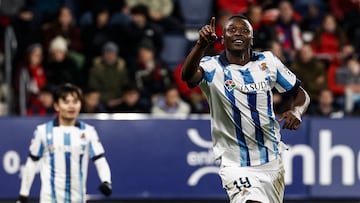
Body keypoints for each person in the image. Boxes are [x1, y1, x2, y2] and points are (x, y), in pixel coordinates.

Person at [181, 15, 310, 203]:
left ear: (252, 38)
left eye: (244, 30)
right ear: (223, 39)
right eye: (232, 30)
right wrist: (201, 45)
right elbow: (188, 76)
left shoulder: (268, 62)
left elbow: (300, 94)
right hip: (235, 164)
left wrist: (297, 111)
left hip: (271, 161)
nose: (238, 34)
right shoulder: (211, 67)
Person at [17, 83, 112, 203]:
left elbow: (100, 160)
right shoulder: (43, 131)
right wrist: (23, 196)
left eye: (75, 101)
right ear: (56, 106)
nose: (71, 106)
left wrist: (106, 181)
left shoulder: (88, 132)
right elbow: (31, 163)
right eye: (66, 102)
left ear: (80, 104)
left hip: (78, 199)